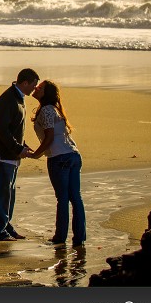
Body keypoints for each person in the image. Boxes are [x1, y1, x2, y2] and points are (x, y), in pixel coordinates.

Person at [0, 68, 39, 241]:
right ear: (25, 82)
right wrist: (17, 148)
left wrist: (23, 146)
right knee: (0, 193)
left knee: (8, 193)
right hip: (0, 155)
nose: (34, 89)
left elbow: (14, 130)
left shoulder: (18, 98)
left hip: (10, 155)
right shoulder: (8, 99)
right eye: (33, 85)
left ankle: (5, 226)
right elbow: (1, 130)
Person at [29, 79, 86, 246]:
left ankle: (60, 237)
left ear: (46, 93)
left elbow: (49, 138)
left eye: (40, 87)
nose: (36, 88)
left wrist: (36, 155)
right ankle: (79, 238)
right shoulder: (54, 109)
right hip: (73, 155)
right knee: (76, 198)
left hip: (59, 157)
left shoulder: (47, 110)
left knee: (63, 199)